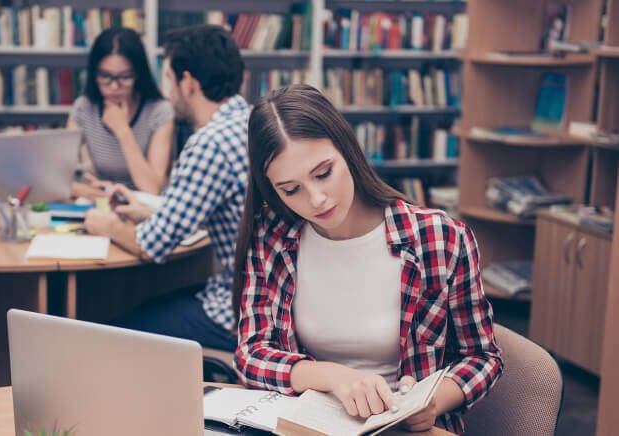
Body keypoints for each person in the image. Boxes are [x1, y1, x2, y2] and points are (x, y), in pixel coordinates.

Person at [233, 84, 502, 434]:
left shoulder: (439, 238)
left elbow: (482, 357)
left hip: (402, 428)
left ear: (348, 149)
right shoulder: (273, 234)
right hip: (308, 425)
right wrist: (333, 377)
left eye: (323, 173)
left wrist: (434, 402)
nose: (316, 200)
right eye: (291, 189)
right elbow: (251, 353)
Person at [83, 25, 249, 351]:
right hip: (262, 299)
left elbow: (150, 247)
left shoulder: (208, 143)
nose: (169, 91)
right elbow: (210, 210)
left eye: (171, 80)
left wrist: (101, 223)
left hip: (237, 311)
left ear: (188, 83)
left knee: (106, 333)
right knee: (151, 305)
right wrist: (146, 212)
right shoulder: (251, 120)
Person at [68, 27, 174, 198]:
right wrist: (100, 194)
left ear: (138, 75)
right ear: (94, 74)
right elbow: (59, 181)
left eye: (125, 77)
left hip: (144, 209)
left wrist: (122, 130)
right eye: (105, 76)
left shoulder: (159, 111)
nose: (114, 86)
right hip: (101, 204)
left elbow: (152, 188)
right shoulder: (84, 108)